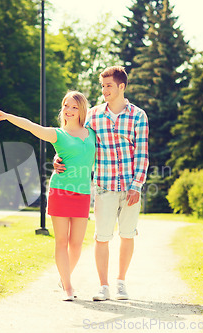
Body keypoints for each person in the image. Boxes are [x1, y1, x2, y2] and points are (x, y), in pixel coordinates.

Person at [54, 66, 149, 301]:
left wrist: (137, 185)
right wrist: (58, 158)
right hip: (104, 186)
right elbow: (73, 138)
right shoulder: (94, 115)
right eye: (102, 86)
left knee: (127, 235)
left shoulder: (138, 116)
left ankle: (121, 282)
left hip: (130, 189)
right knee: (101, 237)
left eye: (108, 86)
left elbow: (143, 154)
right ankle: (103, 286)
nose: (104, 90)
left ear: (121, 87)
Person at [0, 91, 96, 301]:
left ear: (82, 110)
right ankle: (68, 287)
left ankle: (63, 277)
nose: (69, 110)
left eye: (74, 107)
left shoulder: (92, 132)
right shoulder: (58, 134)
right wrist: (8, 116)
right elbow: (31, 126)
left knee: (76, 244)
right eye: (66, 105)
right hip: (60, 192)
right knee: (61, 242)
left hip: (83, 193)